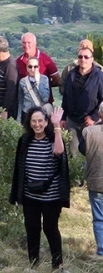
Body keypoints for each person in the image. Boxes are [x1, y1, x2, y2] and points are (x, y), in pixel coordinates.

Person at [9, 107, 69, 269]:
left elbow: (59, 151)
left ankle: (58, 265)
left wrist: (57, 127)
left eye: (40, 121)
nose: (37, 124)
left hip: (51, 196)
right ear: (29, 123)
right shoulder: (25, 140)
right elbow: (19, 169)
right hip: (30, 195)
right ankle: (33, 264)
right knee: (32, 229)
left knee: (50, 229)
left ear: (46, 122)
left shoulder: (53, 139)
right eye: (34, 121)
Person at [61, 42, 103, 156]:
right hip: (72, 122)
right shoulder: (71, 74)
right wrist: (63, 117)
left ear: (92, 59)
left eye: (86, 57)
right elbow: (66, 97)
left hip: (89, 123)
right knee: (72, 155)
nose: (83, 59)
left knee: (90, 154)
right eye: (80, 56)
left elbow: (102, 100)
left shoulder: (99, 76)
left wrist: (94, 117)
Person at [79, 103, 103, 257]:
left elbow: (82, 149)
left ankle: (101, 251)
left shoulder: (88, 132)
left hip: (97, 181)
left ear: (99, 114)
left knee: (99, 219)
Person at [0, 35, 20, 121]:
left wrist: (5, 110)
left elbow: (11, 90)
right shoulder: (2, 63)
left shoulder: (10, 66)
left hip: (7, 109)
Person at [18, 56, 52, 127]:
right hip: (27, 114)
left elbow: (45, 98)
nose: (33, 69)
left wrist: (38, 83)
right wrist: (19, 119)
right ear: (27, 68)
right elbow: (20, 101)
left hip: (41, 114)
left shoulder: (44, 79)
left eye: (35, 66)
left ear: (39, 67)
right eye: (30, 67)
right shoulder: (22, 82)